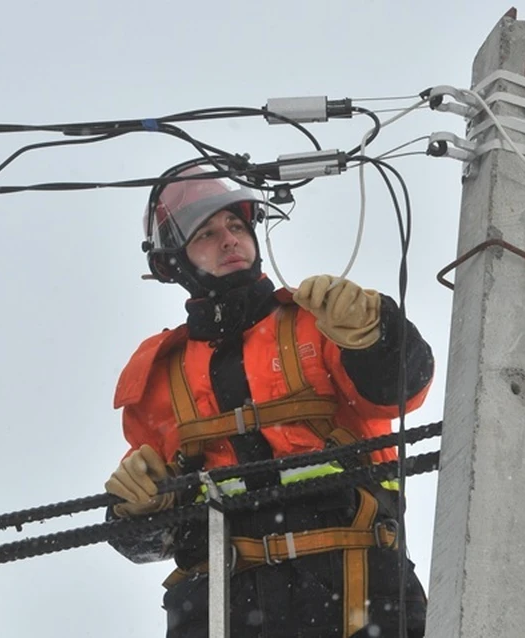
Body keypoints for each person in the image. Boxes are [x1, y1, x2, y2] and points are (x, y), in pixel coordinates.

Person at [103, 163, 434, 638]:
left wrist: (379, 332)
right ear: (170, 262)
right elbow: (147, 543)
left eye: (236, 226)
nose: (230, 239)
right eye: (206, 233)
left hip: (354, 592)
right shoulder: (160, 377)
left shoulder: (320, 320)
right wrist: (133, 512)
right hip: (223, 609)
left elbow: (400, 390)